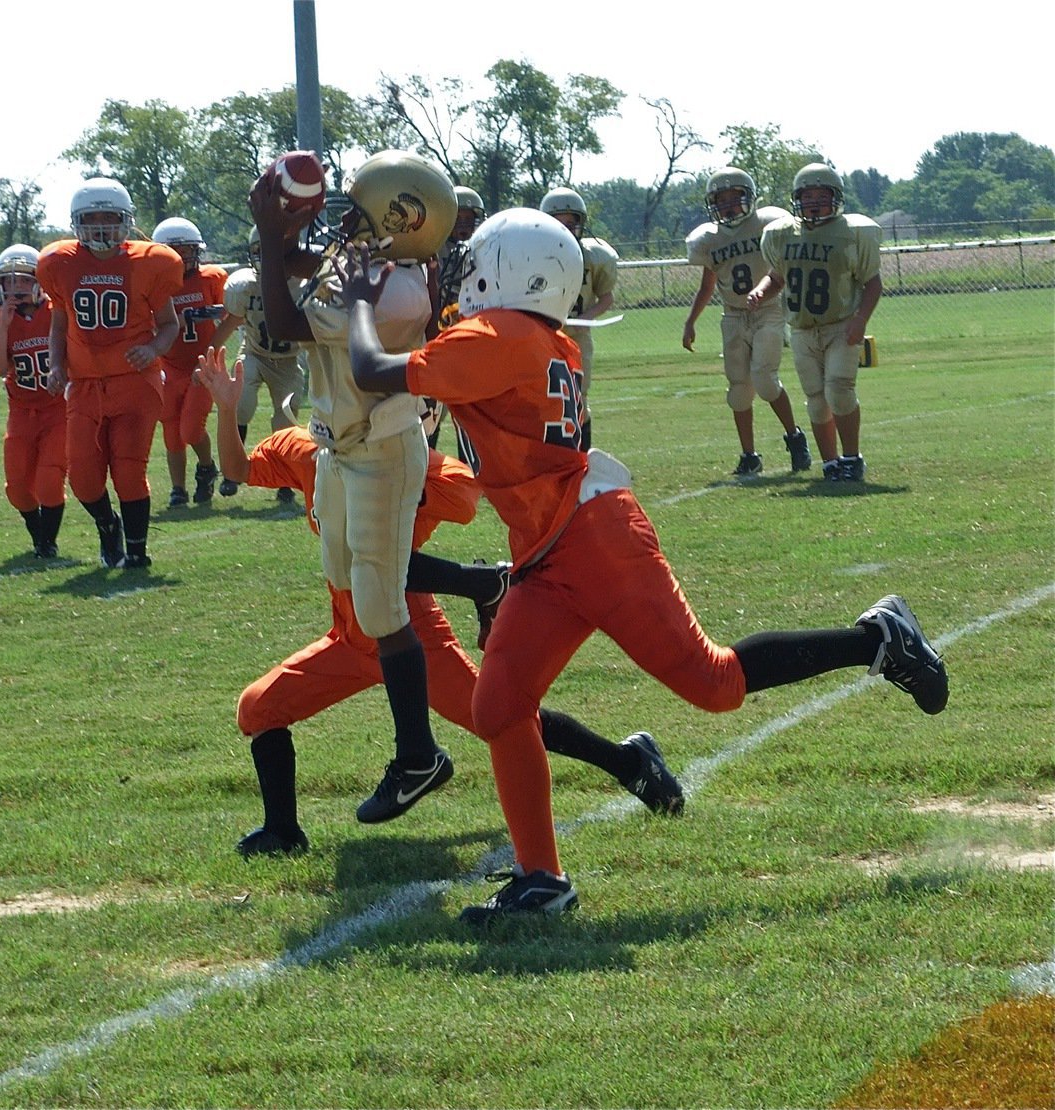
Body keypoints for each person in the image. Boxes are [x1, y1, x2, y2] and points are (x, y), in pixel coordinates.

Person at [342, 208, 949, 924]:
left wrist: (356, 298)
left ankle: (878, 637)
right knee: (499, 707)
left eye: (475, 259)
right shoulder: (540, 335)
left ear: (512, 271)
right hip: (550, 541)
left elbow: (372, 370)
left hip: (593, 539)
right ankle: (541, 878)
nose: (461, 270)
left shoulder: (501, 334)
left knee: (716, 685)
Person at [192, 355, 684, 855]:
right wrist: (226, 411)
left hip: (412, 638)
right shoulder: (311, 453)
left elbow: (393, 554)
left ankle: (630, 762)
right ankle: (282, 830)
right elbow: (237, 469)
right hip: (349, 634)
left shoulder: (433, 474)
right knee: (259, 708)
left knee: (506, 720)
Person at [249, 148, 460, 824]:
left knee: (379, 607)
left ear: (397, 220)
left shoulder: (396, 291)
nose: (344, 219)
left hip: (379, 450)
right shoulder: (376, 268)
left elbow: (284, 325)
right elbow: (303, 271)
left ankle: (417, 756)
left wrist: (265, 233)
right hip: (339, 446)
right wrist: (282, 236)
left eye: (358, 211)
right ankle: (484, 582)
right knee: (348, 578)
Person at [36, 178, 183, 568]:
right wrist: (56, 365)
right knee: (83, 478)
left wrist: (152, 348)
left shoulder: (151, 261)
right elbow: (58, 325)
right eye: (92, 219)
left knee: (129, 471)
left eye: (110, 218)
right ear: (76, 223)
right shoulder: (59, 263)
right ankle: (107, 525)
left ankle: (136, 551)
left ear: (127, 221)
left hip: (136, 380)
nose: (101, 227)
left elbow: (169, 325)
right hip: (84, 384)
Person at [746, 163, 883, 482]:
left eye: (821, 196)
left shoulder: (853, 231)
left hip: (841, 325)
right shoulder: (782, 234)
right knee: (816, 401)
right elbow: (777, 277)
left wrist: (861, 319)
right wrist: (759, 292)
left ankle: (852, 458)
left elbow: (872, 282)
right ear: (797, 200)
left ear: (836, 198)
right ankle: (831, 463)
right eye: (807, 197)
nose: (814, 203)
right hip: (802, 330)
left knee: (839, 390)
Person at [683, 168, 812, 477]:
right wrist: (691, 321)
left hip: (768, 309)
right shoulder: (709, 238)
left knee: (765, 380)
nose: (728, 206)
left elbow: (784, 265)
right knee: (739, 388)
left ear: (749, 198)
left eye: (734, 198)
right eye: (721, 200)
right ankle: (749, 454)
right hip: (733, 315)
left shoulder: (769, 223)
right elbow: (707, 285)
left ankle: (795, 438)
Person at [0, 244, 67, 557]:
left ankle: (46, 544)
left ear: (39, 283)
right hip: (21, 411)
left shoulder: (58, 313)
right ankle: (38, 533)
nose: (16, 288)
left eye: (24, 281)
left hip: (58, 409)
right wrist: (5, 327)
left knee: (49, 480)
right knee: (17, 490)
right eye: (8, 282)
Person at [209, 225, 307, 502]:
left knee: (284, 420)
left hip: (288, 361)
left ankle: (284, 480)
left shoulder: (304, 285)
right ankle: (231, 473)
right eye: (260, 252)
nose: (267, 258)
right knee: (242, 403)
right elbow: (232, 322)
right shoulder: (246, 285)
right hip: (254, 353)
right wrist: (208, 355)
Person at [150, 217, 225, 508]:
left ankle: (206, 466)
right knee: (171, 430)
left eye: (187, 249)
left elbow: (231, 314)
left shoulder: (212, 277)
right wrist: (178, 321)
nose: (182, 257)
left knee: (191, 429)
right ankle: (178, 489)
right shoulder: (156, 285)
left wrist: (203, 313)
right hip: (169, 364)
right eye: (175, 251)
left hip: (204, 362)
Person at [539, 186, 618, 450]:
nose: (565, 229)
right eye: (558, 222)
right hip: (543, 336)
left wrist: (584, 319)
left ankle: (581, 460)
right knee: (542, 398)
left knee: (578, 398)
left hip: (577, 337)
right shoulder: (533, 255)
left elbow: (607, 297)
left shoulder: (594, 256)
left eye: (571, 223)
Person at [426, 185, 487, 455]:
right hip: (439, 340)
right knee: (430, 414)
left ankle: (468, 476)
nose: (463, 224)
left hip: (472, 343)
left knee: (471, 419)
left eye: (467, 218)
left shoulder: (486, 250)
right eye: (456, 218)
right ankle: (426, 475)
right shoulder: (430, 248)